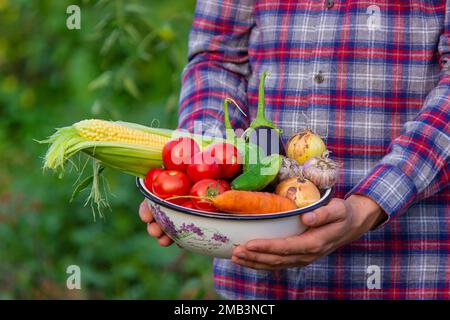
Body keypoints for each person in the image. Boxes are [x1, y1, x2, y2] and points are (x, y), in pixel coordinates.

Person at [139, 0, 449, 299]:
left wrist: (368, 206)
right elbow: (217, 59)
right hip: (256, 276)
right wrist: (193, 178)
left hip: (404, 265)